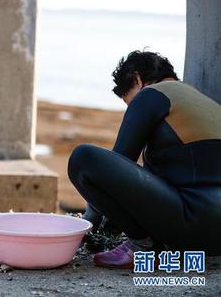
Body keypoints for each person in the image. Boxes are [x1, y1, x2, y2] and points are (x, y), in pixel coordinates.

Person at [68, 50, 221, 268]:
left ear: (138, 79)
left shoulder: (152, 94)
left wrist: (88, 221)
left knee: (83, 158)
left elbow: (118, 162)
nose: (133, 109)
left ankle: (144, 246)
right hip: (216, 237)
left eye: (130, 103)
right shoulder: (202, 102)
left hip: (193, 223)